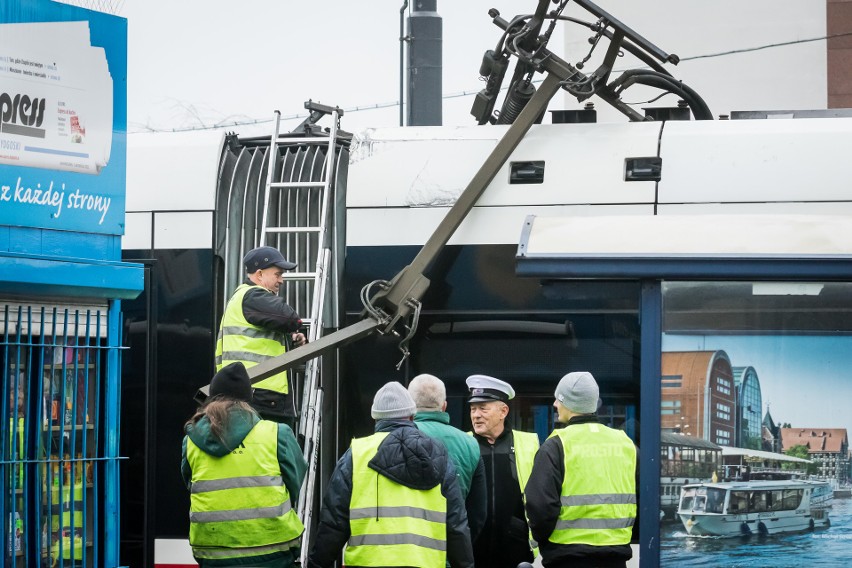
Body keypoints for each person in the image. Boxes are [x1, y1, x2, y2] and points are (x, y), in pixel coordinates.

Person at [307, 381, 474, 568]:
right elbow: (456, 526)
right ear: (412, 416)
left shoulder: (357, 454)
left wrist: (317, 564)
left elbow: (334, 523)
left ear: (376, 419)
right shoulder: (438, 454)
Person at [181, 362, 307, 567]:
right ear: (248, 400)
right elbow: (295, 482)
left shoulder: (191, 441)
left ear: (211, 399)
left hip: (214, 556)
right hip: (274, 552)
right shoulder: (276, 434)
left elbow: (191, 484)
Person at [525, 372, 637, 568]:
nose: (555, 404)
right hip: (616, 558)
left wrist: (545, 543)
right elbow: (644, 499)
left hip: (567, 558)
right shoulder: (625, 443)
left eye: (558, 399)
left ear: (568, 403)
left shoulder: (556, 445)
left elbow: (540, 507)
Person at [215, 246, 307, 426]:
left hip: (249, 391)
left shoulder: (241, 297)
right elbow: (290, 318)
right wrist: (294, 328)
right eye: (278, 274)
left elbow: (258, 340)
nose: (281, 281)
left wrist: (290, 340)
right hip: (261, 393)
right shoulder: (254, 295)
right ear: (259, 274)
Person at [466, 374, 539, 568]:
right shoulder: (463, 443)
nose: (476, 415)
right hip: (472, 550)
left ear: (503, 411)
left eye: (483, 408)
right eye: (473, 409)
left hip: (516, 551)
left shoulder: (529, 443)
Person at [408, 373, 487, 542]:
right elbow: (477, 514)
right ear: (444, 406)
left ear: (409, 405)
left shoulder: (393, 438)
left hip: (404, 553)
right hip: (450, 554)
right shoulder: (470, 445)